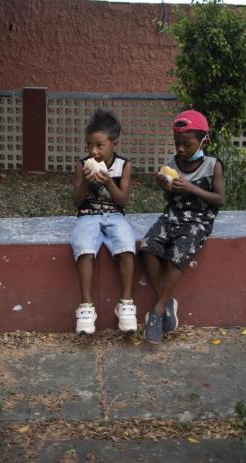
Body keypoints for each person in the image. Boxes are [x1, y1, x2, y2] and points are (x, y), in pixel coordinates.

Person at [139, 109, 226, 343]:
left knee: (179, 251)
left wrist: (192, 189)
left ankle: (157, 312)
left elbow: (220, 199)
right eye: (177, 143)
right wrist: (164, 186)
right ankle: (166, 302)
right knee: (148, 246)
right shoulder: (172, 163)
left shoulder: (212, 165)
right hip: (173, 215)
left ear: (203, 141)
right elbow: (170, 201)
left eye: (187, 144)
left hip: (199, 220)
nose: (180, 149)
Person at [70, 109, 137, 335]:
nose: (93, 151)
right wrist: (86, 184)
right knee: (84, 248)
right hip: (88, 213)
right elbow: (77, 201)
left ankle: (126, 302)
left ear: (114, 144)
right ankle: (86, 305)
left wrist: (109, 183)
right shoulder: (83, 165)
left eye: (99, 145)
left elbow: (123, 201)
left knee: (127, 246)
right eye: (89, 145)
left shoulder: (124, 165)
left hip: (115, 214)